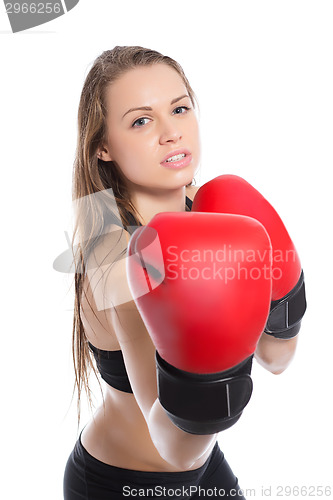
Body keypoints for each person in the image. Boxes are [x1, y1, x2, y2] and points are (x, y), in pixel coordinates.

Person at [63, 46, 302, 500]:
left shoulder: (213, 212)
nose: (172, 133)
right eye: (141, 120)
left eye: (179, 108)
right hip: (122, 484)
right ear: (103, 147)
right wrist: (206, 389)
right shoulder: (115, 254)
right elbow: (174, 447)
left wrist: (287, 302)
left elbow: (276, 358)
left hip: (204, 467)